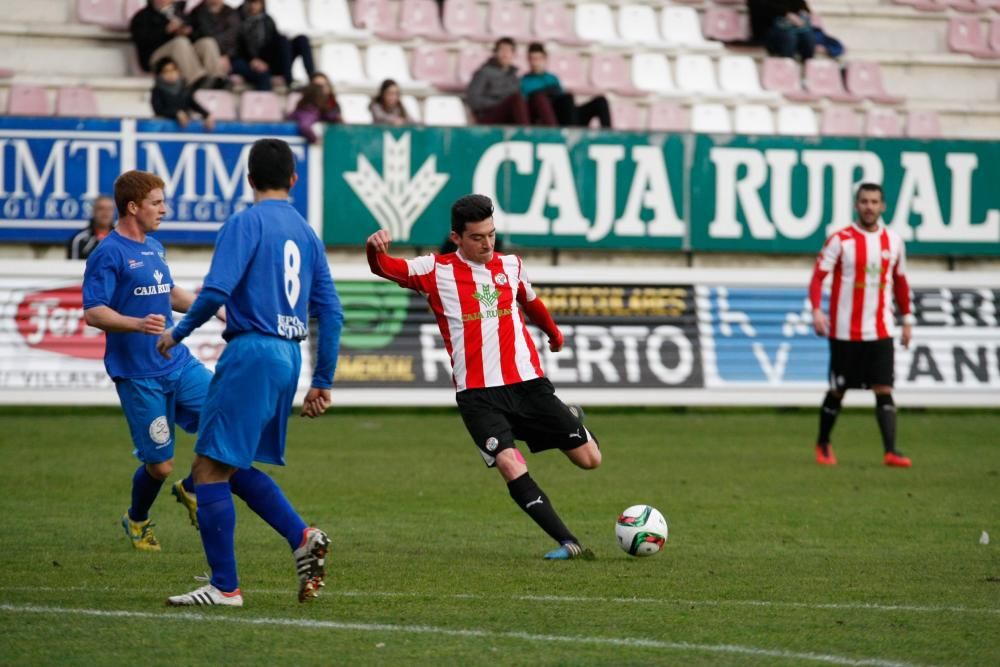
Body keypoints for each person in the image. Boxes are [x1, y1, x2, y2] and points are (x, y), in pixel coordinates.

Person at [158, 138, 344, 607]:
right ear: (294, 181)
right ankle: (300, 537)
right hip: (288, 357)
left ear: (248, 179)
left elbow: (216, 290)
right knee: (229, 462)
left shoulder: (244, 223)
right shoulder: (306, 231)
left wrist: (177, 333)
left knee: (206, 469)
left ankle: (226, 587)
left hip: (252, 353)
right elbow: (333, 312)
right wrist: (322, 380)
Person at [366, 194, 601, 560]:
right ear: (457, 237)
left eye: (491, 234)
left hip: (527, 384)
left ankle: (571, 421)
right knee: (508, 462)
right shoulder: (435, 270)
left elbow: (531, 302)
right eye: (477, 237)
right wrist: (373, 249)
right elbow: (385, 267)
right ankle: (568, 542)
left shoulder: (511, 265)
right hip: (479, 396)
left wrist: (553, 333)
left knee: (590, 460)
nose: (487, 243)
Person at [82, 170, 218, 551]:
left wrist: (214, 310)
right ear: (133, 207)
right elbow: (94, 312)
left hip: (178, 363)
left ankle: (192, 488)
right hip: (139, 375)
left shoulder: (154, 247)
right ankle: (137, 519)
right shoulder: (108, 253)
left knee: (225, 415)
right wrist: (135, 323)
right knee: (160, 466)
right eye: (157, 203)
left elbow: (169, 292)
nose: (164, 209)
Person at [809, 183, 914, 468]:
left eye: (874, 202)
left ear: (883, 206)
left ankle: (891, 451)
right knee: (838, 390)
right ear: (857, 205)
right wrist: (817, 310)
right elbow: (818, 277)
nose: (869, 206)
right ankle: (823, 443)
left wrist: (907, 320)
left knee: (883, 387)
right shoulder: (840, 240)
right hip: (844, 331)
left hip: (880, 329)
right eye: (864, 201)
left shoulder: (894, 242)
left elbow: (901, 284)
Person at [130, 0, 227, 88]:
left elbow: (198, 34)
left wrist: (188, 32)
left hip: (181, 52)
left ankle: (217, 79)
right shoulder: (141, 16)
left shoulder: (179, 14)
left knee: (207, 42)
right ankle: (197, 80)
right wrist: (166, 30)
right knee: (180, 43)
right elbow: (142, 40)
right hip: (154, 56)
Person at [521, 43, 611, 128]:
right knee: (566, 99)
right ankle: (572, 134)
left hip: (567, 116)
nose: (535, 62)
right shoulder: (524, 81)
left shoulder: (553, 78)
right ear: (528, 60)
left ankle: (610, 138)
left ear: (545, 59)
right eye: (532, 59)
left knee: (600, 101)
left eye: (538, 58)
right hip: (551, 119)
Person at [234, 0, 316, 91]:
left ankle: (313, 79)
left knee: (301, 40)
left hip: (271, 60)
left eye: (257, 3)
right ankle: (289, 80)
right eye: (251, 3)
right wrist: (252, 60)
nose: (254, 6)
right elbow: (238, 46)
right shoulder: (238, 19)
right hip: (253, 61)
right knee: (283, 40)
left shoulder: (268, 20)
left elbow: (275, 42)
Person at [467, 37, 531, 126]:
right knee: (516, 99)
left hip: (509, 116)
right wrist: (502, 103)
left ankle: (548, 133)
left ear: (513, 54)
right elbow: (473, 100)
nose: (505, 54)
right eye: (502, 50)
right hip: (488, 116)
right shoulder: (483, 72)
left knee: (536, 99)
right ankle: (527, 133)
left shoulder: (515, 77)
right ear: (495, 53)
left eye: (508, 51)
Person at [151, 57, 216, 130]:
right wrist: (176, 113)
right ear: (160, 75)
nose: (171, 74)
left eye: (173, 70)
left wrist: (207, 115)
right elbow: (159, 110)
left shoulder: (184, 88)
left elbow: (193, 104)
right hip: (164, 129)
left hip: (183, 129)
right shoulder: (157, 90)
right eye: (166, 71)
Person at [187, 0, 240, 81]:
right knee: (208, 44)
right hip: (202, 52)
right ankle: (217, 80)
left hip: (230, 55)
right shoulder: (198, 11)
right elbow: (200, 34)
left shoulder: (231, 13)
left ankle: (218, 80)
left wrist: (226, 55)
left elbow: (233, 36)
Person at [748, 0, 815, 61]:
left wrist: (804, 12)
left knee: (808, 36)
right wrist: (787, 15)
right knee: (790, 37)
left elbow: (802, 6)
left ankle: (808, 67)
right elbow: (763, 9)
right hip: (768, 29)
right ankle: (786, 66)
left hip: (792, 27)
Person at [67, 195, 115, 260]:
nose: (105, 213)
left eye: (109, 209)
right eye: (101, 208)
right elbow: (71, 268)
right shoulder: (78, 240)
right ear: (94, 211)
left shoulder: (121, 239)